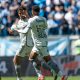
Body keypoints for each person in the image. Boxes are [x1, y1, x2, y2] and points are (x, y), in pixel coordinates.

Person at [17, 5, 68, 80]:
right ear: (39, 11)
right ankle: (60, 75)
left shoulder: (31, 20)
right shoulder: (44, 19)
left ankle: (42, 75)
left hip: (38, 44)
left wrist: (17, 30)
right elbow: (43, 27)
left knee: (34, 59)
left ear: (33, 11)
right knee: (45, 60)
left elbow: (25, 30)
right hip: (43, 42)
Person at [9, 6, 56, 80]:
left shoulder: (30, 20)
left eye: (23, 12)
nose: (21, 14)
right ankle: (45, 73)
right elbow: (15, 27)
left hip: (25, 45)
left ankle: (19, 78)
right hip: (31, 45)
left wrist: (15, 28)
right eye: (20, 13)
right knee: (36, 61)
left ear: (26, 12)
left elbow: (23, 28)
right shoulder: (20, 21)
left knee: (16, 60)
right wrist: (12, 29)